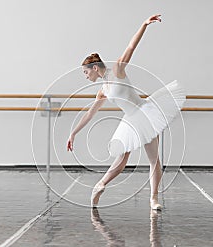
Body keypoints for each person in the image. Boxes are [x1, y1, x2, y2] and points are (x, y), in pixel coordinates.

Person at [67, 14, 185, 210]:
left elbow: (131, 47)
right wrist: (73, 133)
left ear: (95, 68)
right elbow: (90, 113)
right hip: (130, 120)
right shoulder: (102, 91)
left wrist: (144, 25)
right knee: (121, 158)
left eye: (86, 72)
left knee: (154, 159)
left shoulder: (117, 71)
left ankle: (154, 199)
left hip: (145, 113)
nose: (86, 76)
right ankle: (100, 185)